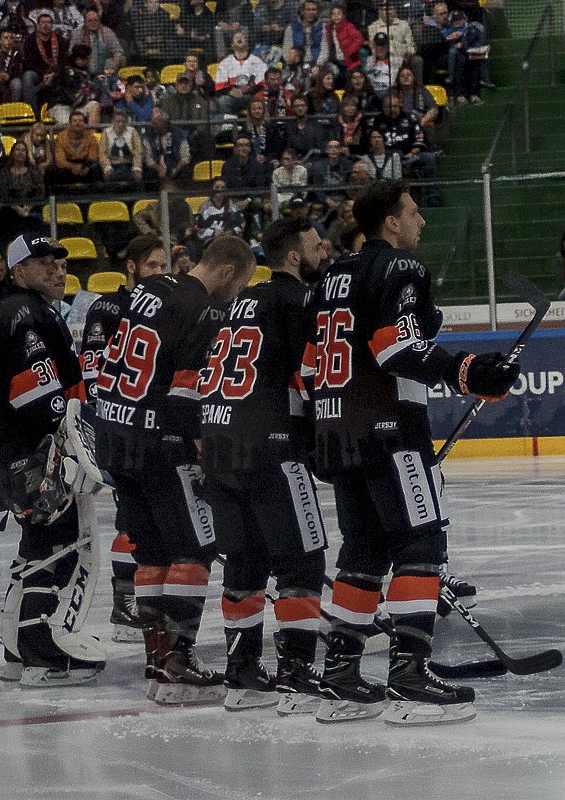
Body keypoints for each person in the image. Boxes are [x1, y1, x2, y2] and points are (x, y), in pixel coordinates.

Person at [309, 180, 518, 724]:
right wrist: (467, 370)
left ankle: (340, 676)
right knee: (421, 541)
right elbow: (394, 348)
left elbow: (311, 364)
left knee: (363, 551)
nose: (421, 222)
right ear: (390, 222)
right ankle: (408, 676)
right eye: (413, 212)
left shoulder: (330, 276)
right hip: (390, 429)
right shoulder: (401, 267)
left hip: (337, 428)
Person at [95, 234, 256, 706]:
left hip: (114, 435)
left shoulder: (154, 288)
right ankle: (179, 660)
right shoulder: (204, 310)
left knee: (153, 555)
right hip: (158, 443)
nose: (237, 295)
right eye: (239, 285)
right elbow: (185, 397)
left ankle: (158, 661)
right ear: (226, 271)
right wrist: (206, 455)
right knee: (194, 549)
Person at [199, 217, 330, 715]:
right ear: (294, 256)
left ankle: (242, 674)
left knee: (245, 562)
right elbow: (313, 374)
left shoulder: (239, 302)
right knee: (302, 561)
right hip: (269, 448)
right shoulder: (298, 301)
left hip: (219, 446)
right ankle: (296, 676)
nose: (324, 252)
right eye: (316, 246)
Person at [0, 233, 107, 686]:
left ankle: (16, 647)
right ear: (18, 271)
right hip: (34, 454)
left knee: (38, 542)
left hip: (20, 453)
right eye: (43, 263)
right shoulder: (24, 313)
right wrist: (76, 439)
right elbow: (34, 393)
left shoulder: (29, 310)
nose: (57, 270)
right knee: (58, 542)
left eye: (59, 263)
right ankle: (38, 650)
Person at [78, 235, 167, 643]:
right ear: (131, 267)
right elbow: (93, 373)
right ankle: (124, 605)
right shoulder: (108, 307)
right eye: (151, 266)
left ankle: (142, 602)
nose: (159, 273)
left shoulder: (164, 304)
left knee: (151, 519)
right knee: (132, 516)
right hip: (120, 429)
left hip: (153, 429)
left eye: (163, 266)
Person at [214, 31, 268, 116]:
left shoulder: (258, 62)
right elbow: (220, 86)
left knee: (261, 99)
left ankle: (257, 123)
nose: (239, 38)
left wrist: (249, 89)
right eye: (236, 37)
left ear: (247, 43)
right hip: (232, 97)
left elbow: (262, 84)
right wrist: (231, 91)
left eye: (242, 37)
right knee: (222, 101)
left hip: (251, 96)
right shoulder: (225, 63)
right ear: (232, 45)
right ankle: (230, 123)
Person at [22, 11, 67, 110]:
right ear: (37, 25)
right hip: (38, 73)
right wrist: (43, 74)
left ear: (52, 25)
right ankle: (32, 111)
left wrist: (53, 74)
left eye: (48, 22)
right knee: (27, 76)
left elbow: (63, 61)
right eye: (43, 22)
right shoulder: (30, 40)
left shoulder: (60, 40)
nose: (46, 25)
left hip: (56, 72)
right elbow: (28, 63)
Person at [51, 110, 101, 189]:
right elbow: (60, 160)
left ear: (84, 123)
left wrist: (87, 167)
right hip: (68, 166)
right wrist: (72, 166)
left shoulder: (91, 137)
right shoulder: (61, 137)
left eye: (80, 121)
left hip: (85, 165)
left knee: (95, 172)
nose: (78, 123)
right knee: (60, 173)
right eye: (74, 121)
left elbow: (93, 157)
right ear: (69, 124)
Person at [98, 108, 144, 189]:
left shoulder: (133, 132)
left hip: (129, 165)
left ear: (126, 122)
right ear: (113, 121)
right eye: (118, 121)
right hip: (112, 165)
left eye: (123, 121)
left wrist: (137, 168)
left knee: (138, 180)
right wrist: (107, 168)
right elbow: (102, 153)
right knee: (108, 181)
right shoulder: (106, 133)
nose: (121, 124)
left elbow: (138, 152)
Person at [320, 4, 365, 74]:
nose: (336, 16)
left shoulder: (348, 26)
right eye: (333, 14)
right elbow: (326, 46)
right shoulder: (329, 29)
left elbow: (359, 40)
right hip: (335, 61)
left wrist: (349, 51)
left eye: (339, 14)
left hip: (349, 60)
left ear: (343, 15)